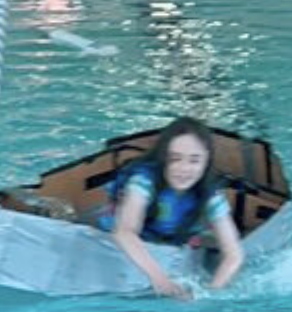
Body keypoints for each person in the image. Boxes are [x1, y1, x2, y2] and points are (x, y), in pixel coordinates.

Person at [101, 117, 245, 299]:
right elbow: (124, 232)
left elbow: (234, 254)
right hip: (138, 235)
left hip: (173, 236)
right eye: (175, 159)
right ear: (163, 158)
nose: (184, 169)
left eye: (194, 161)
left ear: (206, 162)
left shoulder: (211, 195)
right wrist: (160, 280)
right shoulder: (143, 181)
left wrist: (211, 292)